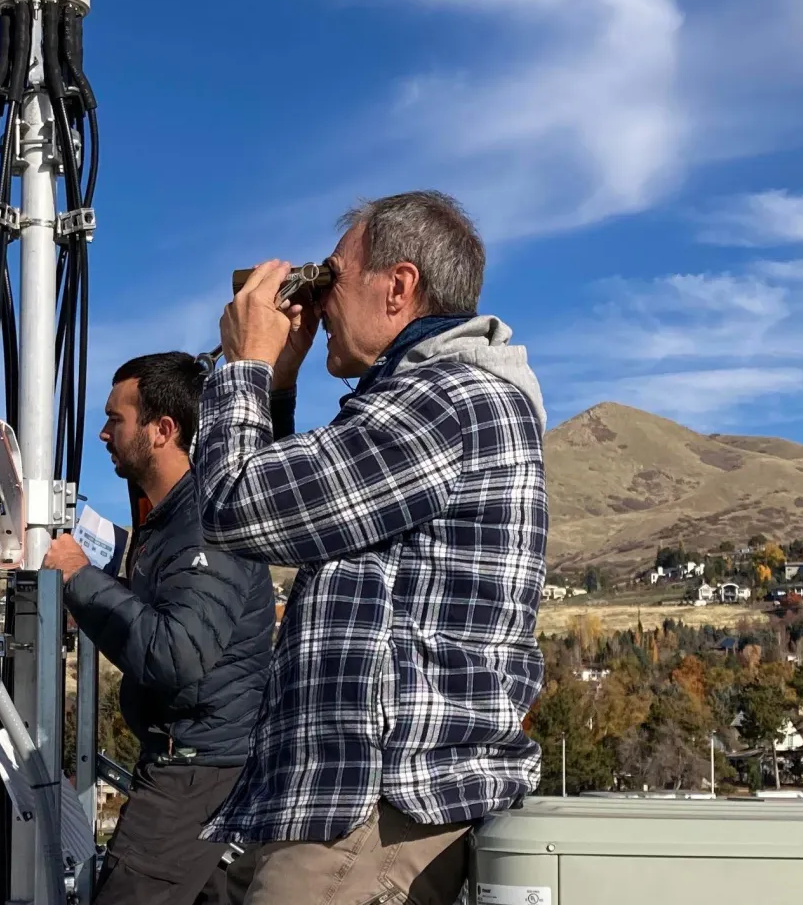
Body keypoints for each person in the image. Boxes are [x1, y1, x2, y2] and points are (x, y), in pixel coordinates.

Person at [195, 190, 548, 905]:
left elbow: (239, 506)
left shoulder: (447, 398)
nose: (319, 300)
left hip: (375, 807)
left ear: (398, 285)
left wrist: (244, 367)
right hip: (345, 803)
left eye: (332, 275)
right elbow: (295, 514)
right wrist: (280, 383)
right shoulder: (422, 401)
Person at [41, 351, 280, 905]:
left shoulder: (202, 524)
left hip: (195, 773)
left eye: (116, 419)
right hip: (198, 763)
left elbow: (176, 653)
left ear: (161, 430)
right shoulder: (168, 522)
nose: (103, 433)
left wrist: (80, 578)